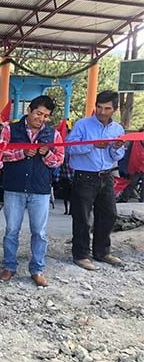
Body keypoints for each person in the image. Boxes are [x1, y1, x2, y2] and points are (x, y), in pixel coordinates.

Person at [0, 96, 64, 287]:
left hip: (40, 190)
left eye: (45, 116)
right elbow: (0, 154)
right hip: (14, 188)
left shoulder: (53, 135)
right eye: (38, 113)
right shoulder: (10, 129)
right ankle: (9, 266)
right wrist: (21, 153)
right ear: (29, 110)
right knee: (11, 230)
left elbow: (59, 160)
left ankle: (37, 269)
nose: (41, 119)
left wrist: (47, 154)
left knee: (40, 232)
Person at [66, 90, 125, 271]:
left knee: (109, 214)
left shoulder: (118, 129)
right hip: (84, 176)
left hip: (106, 176)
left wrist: (116, 148)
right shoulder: (83, 125)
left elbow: (117, 155)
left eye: (107, 108)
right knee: (82, 217)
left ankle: (101, 251)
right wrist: (91, 145)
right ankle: (81, 255)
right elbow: (69, 147)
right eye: (99, 107)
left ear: (114, 109)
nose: (102, 111)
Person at [117, 126, 144, 203]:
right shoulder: (136, 138)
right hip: (136, 164)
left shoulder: (135, 137)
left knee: (131, 183)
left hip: (134, 164)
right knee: (131, 183)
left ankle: (124, 198)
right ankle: (141, 199)